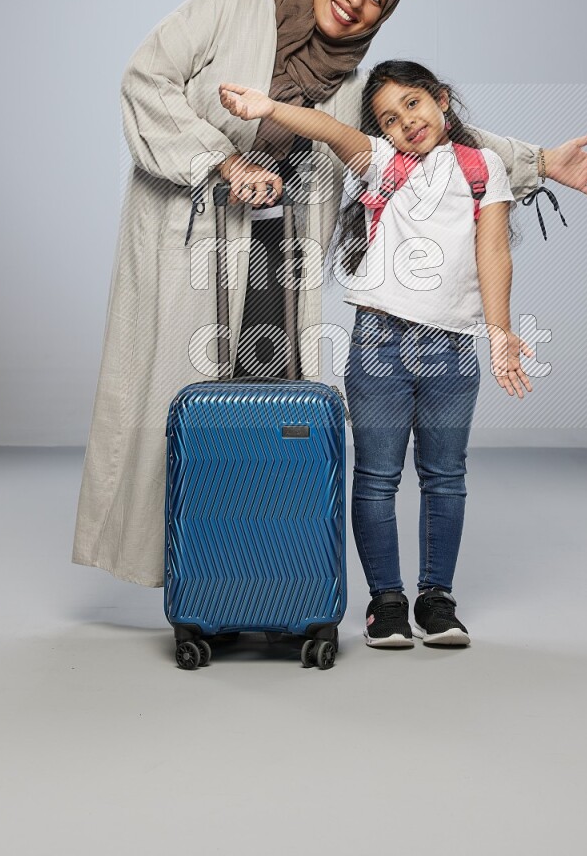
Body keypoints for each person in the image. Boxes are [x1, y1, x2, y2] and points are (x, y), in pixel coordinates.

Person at [73, 0, 587, 590]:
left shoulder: (352, 87)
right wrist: (221, 160)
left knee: (269, 410)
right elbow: (147, 78)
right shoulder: (234, 5)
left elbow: (436, 143)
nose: (356, 0)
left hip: (276, 258)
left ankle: (257, 578)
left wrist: (537, 160)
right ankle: (190, 578)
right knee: (177, 397)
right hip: (188, 236)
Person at [219, 60, 539, 648]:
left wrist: (500, 332)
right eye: (390, 119)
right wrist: (266, 109)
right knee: (376, 478)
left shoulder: (481, 166)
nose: (406, 123)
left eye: (414, 104)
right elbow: (323, 127)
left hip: (453, 348)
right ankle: (385, 604)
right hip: (379, 344)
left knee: (445, 477)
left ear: (441, 100)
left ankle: (437, 601)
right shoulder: (381, 163)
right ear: (383, 133)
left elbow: (494, 250)